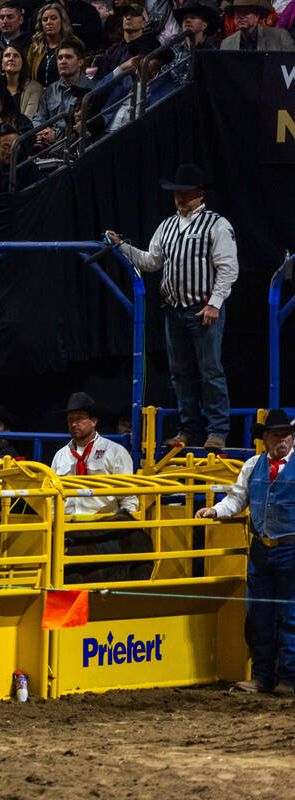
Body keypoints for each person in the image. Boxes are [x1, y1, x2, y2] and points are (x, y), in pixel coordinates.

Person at [105, 164, 237, 449]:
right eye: (177, 194)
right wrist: (122, 247)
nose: (180, 199)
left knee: (210, 371)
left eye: (186, 194)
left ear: (199, 194)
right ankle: (188, 429)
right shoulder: (166, 226)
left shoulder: (217, 224)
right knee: (181, 374)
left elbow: (228, 269)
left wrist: (215, 303)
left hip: (203, 309)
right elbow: (152, 261)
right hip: (175, 309)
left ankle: (218, 431)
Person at [196, 409, 295, 694]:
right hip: (262, 549)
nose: (282, 440)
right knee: (259, 615)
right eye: (276, 435)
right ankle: (262, 676)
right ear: (264, 439)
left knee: (290, 615)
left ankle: (288, 678)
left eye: (286, 435)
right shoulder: (253, 465)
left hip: (290, 547)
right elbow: (238, 498)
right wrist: (216, 510)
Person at [50, 392, 148, 583]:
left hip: (104, 529)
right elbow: (54, 497)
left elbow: (128, 497)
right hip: (69, 528)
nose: (74, 424)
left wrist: (122, 529)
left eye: (79, 419)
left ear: (93, 421)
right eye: (70, 420)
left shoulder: (115, 452)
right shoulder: (60, 456)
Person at [32, 40, 92, 148]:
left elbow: (85, 126)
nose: (62, 61)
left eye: (68, 57)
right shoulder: (50, 89)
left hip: (74, 146)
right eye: (60, 58)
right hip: (46, 145)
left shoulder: (90, 90)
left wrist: (56, 135)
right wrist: (42, 132)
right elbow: (38, 118)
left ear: (80, 62)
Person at [27, 3, 77, 86]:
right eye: (45, 20)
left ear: (62, 20)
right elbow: (27, 75)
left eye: (53, 18)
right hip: (39, 95)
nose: (49, 22)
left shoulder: (74, 44)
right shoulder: (35, 47)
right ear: (41, 24)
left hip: (65, 94)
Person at [0, 1, 31, 82]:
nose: (5, 21)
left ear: (21, 20)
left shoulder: (30, 43)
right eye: (2, 17)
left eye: (10, 17)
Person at [221, 0, 294, 51]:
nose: (241, 16)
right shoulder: (227, 44)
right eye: (237, 11)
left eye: (246, 11)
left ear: (257, 15)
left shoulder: (279, 37)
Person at [0, 44, 42, 120]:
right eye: (7, 55)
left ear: (23, 63)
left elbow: (28, 120)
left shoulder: (34, 88)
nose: (11, 59)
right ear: (2, 63)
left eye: (16, 56)